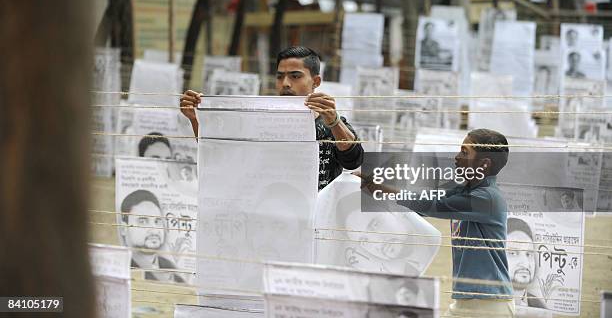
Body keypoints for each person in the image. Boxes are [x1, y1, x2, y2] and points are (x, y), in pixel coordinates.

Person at [363, 129, 515, 317]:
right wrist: (379, 188)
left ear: (484, 164)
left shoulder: (487, 198)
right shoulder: (463, 190)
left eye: (465, 152)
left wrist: (383, 189)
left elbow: (433, 204)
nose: (457, 157)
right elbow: (425, 203)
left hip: (489, 304)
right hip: (469, 300)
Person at [180, 47, 364, 190]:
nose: (285, 83)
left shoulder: (328, 122)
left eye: (295, 76)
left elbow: (354, 160)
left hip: (316, 225)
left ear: (315, 82)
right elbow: (222, 155)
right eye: (280, 77)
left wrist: (334, 121)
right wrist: (196, 119)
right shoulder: (259, 119)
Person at [119, 189, 185, 283]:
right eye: (142, 221)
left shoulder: (171, 269)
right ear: (123, 228)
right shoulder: (119, 268)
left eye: (157, 221)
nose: (154, 230)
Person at [506, 218, 547, 309]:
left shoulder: (540, 307)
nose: (525, 263)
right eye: (513, 253)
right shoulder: (484, 304)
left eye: (529, 254)